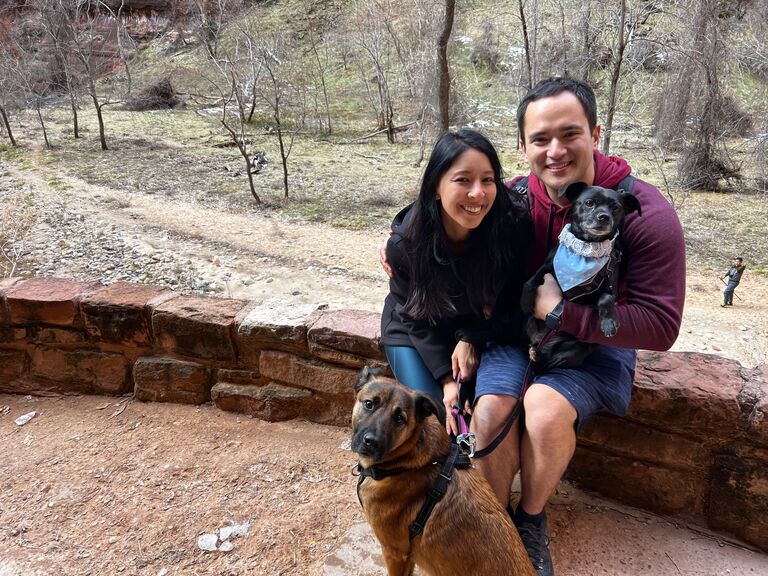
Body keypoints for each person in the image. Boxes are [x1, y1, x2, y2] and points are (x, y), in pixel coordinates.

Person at [381, 77, 685, 576]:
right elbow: (442, 201)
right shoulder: (517, 194)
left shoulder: (644, 213)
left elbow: (660, 325)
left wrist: (564, 315)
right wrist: (398, 236)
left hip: (594, 344)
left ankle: (530, 520)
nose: (556, 150)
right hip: (517, 333)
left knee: (542, 411)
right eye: (540, 139)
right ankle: (487, 521)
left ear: (595, 133)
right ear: (522, 147)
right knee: (492, 409)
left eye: (570, 134)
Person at [380, 129, 531, 435]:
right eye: (463, 180)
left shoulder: (511, 227)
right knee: (433, 417)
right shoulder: (406, 245)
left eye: (487, 180)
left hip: (482, 329)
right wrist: (447, 382)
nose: (477, 193)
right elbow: (413, 315)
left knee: (475, 416)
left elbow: (513, 301)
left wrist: (471, 337)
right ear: (436, 186)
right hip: (417, 329)